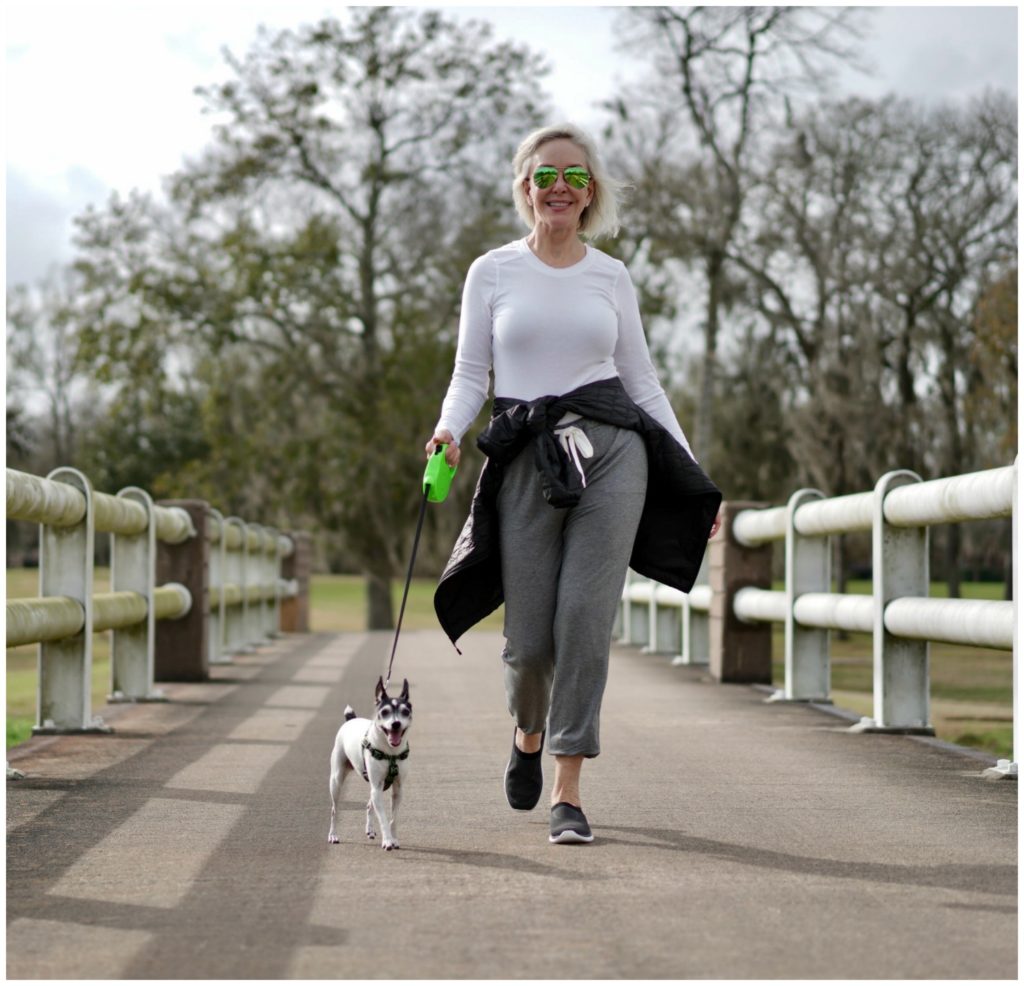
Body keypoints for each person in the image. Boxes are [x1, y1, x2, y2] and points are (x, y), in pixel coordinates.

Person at [426, 123, 722, 845]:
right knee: (529, 645)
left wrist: (690, 475)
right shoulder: (490, 272)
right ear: (525, 187)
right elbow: (472, 374)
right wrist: (447, 430)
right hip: (524, 460)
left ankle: (568, 788)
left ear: (591, 193)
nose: (560, 187)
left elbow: (643, 382)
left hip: (614, 453)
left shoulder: (610, 276)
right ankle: (528, 733)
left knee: (585, 622)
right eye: (545, 175)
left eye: (576, 177)